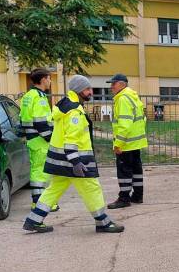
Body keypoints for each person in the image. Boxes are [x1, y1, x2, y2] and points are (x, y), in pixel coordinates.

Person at [23, 75, 124, 233]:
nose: (91, 92)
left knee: (53, 189)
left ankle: (33, 220)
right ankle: (103, 222)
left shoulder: (64, 105)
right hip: (76, 161)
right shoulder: (74, 111)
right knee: (92, 189)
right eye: (87, 89)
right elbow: (71, 139)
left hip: (60, 160)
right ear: (78, 90)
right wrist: (76, 162)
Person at [106, 74, 148, 209]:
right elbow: (143, 119)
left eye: (113, 84)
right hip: (136, 142)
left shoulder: (123, 99)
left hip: (127, 143)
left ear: (122, 84)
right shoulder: (133, 97)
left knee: (124, 170)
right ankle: (137, 195)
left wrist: (118, 144)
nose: (111, 87)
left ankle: (124, 198)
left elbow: (124, 124)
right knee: (136, 169)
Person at [19, 68, 57, 210]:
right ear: (43, 80)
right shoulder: (39, 98)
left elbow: (24, 119)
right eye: (49, 78)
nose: (50, 81)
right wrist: (49, 138)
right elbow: (41, 122)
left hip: (32, 138)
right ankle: (40, 203)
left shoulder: (28, 96)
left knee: (37, 170)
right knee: (41, 172)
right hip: (41, 140)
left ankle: (39, 202)